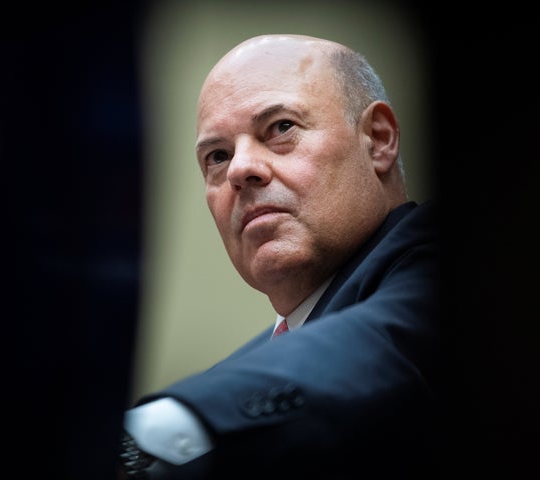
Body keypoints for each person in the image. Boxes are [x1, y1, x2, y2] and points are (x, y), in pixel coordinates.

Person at [117, 33, 442, 479]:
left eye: (280, 128)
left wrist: (156, 434)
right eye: (217, 155)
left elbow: (392, 340)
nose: (239, 169)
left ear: (378, 139)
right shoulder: (242, 378)